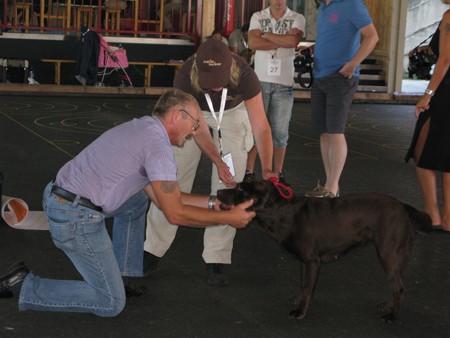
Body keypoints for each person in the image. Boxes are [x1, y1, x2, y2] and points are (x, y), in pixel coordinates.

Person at [0, 89, 256, 316]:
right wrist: (228, 218)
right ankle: (25, 285)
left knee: (135, 202)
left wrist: (214, 203)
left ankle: (123, 275)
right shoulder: (158, 147)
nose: (196, 130)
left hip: (63, 199)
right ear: (177, 115)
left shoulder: (143, 128)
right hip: (75, 217)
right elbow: (175, 214)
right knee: (110, 302)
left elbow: (166, 198)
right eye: (196, 123)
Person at [144, 39, 276, 286]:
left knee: (230, 187)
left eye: (220, 81)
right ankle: (152, 248)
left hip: (233, 113)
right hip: (196, 115)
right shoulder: (184, 76)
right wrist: (217, 160)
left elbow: (261, 127)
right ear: (197, 69)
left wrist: (268, 168)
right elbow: (200, 130)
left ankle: (217, 255)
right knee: (171, 177)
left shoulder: (246, 74)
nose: (215, 87)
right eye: (209, 82)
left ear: (231, 69)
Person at [304, 0, 378, 198]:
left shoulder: (352, 4)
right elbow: (332, 37)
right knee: (324, 132)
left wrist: (354, 63)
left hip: (341, 76)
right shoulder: (322, 8)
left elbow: (372, 36)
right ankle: (330, 186)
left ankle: (333, 186)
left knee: (335, 131)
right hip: (320, 76)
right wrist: (315, 48)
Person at [245, 0, 305, 184]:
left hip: (284, 84)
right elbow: (253, 43)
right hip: (259, 83)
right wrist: (281, 39)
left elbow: (293, 41)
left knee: (280, 132)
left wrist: (265, 34)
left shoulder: (297, 18)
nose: (279, 1)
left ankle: (277, 173)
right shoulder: (257, 16)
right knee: (255, 129)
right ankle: (249, 172)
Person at [405, 0, 450, 233]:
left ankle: (433, 214)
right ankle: (447, 217)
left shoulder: (449, 16)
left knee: (421, 150)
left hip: (445, 91)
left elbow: (445, 60)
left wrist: (427, 95)